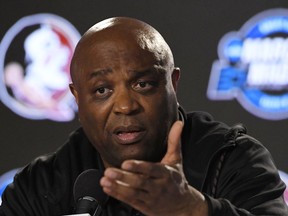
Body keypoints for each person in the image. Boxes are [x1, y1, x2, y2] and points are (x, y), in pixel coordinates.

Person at [0, 17, 287, 216]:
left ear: (172, 84)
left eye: (142, 84)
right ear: (77, 98)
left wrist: (193, 209)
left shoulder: (232, 159)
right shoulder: (42, 185)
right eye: (102, 90)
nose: (125, 106)